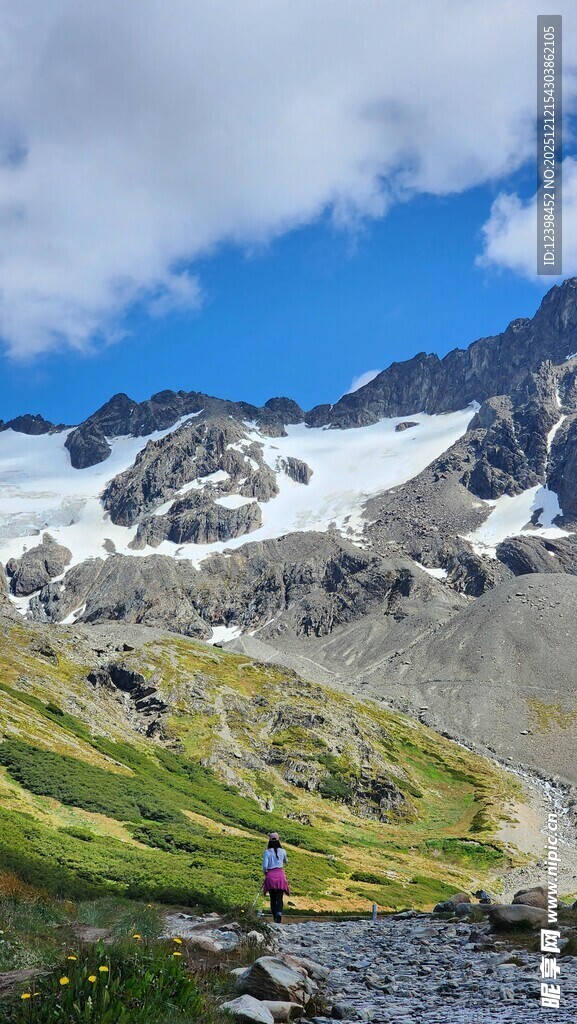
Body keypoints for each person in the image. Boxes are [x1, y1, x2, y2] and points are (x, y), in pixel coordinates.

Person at [262, 831, 290, 923]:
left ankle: (275, 917)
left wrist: (265, 872)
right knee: (280, 898)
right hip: (280, 875)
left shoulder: (267, 852)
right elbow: (286, 861)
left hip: (270, 876)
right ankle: (279, 913)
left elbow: (265, 866)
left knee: (272, 898)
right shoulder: (283, 851)